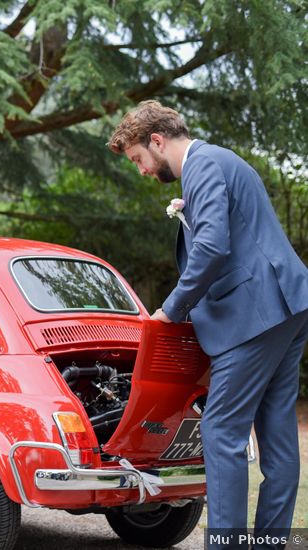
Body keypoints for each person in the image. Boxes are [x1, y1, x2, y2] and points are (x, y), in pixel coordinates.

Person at [108, 101, 308, 548]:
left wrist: (171, 308)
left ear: (156, 141)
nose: (141, 170)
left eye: (139, 159)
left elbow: (213, 246)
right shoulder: (219, 161)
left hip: (256, 315)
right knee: (276, 435)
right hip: (287, 308)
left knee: (220, 430)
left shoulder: (202, 165)